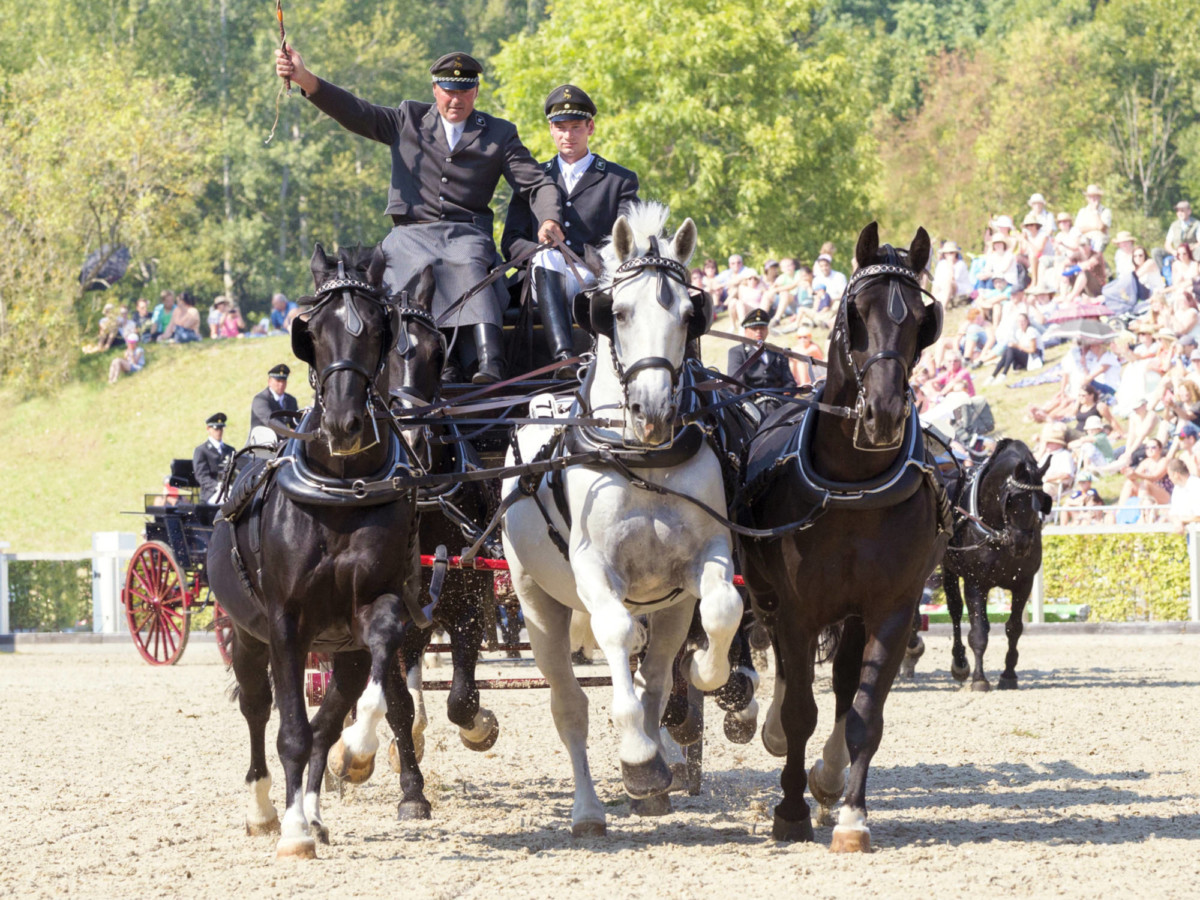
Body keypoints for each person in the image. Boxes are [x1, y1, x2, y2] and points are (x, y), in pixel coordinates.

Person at [277, 48, 563, 385]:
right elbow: (357, 112)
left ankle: (490, 361)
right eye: (448, 91)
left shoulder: (499, 133)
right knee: (399, 267)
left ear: (476, 92)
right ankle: (422, 365)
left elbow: (537, 182)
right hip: (410, 233)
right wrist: (305, 78)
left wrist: (549, 219)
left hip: (465, 232)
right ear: (434, 90)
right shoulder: (407, 119)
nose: (456, 100)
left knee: (468, 263)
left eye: (465, 91)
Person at [501, 84, 639, 378]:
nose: (568, 136)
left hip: (593, 276)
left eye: (576, 127)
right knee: (547, 259)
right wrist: (541, 250)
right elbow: (511, 241)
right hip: (542, 278)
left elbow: (627, 239)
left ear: (590, 128)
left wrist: (585, 259)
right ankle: (564, 357)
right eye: (561, 128)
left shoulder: (619, 180)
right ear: (551, 129)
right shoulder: (533, 178)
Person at [725, 308, 796, 406]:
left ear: (767, 330)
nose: (759, 332)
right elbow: (735, 383)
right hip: (750, 404)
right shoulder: (737, 352)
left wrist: (784, 401)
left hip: (779, 403)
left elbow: (790, 382)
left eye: (762, 328)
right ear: (746, 331)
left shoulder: (777, 352)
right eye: (754, 328)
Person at [248, 364, 299, 445]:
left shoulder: (291, 400)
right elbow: (270, 421)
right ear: (269, 382)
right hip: (260, 446)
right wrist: (289, 432)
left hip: (283, 445)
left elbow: (296, 423)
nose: (281, 384)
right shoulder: (260, 400)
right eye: (278, 381)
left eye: (283, 381)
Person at [193, 413, 234, 505]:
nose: (219, 431)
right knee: (230, 500)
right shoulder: (201, 450)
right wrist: (217, 486)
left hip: (230, 489)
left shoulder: (230, 450)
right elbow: (201, 476)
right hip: (211, 493)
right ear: (208, 429)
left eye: (221, 429)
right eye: (216, 429)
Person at [1154, 200, 1199, 275]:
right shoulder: (1174, 225)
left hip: (1191, 252)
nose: (1179, 213)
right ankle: (1163, 275)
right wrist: (1173, 251)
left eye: (1182, 210)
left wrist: (1188, 250)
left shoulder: (1196, 224)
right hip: (1176, 252)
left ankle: (1197, 274)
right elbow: (1167, 244)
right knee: (1156, 251)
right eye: (1178, 211)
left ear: (1189, 211)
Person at [1075, 184, 1112, 251]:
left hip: (1100, 240)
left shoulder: (1105, 211)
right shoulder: (1082, 211)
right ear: (1087, 198)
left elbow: (1102, 227)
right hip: (1085, 239)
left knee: (1098, 242)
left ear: (1099, 197)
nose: (1093, 199)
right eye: (1090, 197)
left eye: (1095, 196)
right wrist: (1095, 227)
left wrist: (1095, 212)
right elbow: (1080, 229)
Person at [1167, 458, 1200, 531]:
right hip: (1191, 534)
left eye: (1169, 475)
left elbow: (1198, 516)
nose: (1169, 478)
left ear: (1176, 474)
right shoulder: (1177, 488)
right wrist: (1176, 521)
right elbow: (1173, 512)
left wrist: (1181, 520)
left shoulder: (1197, 485)